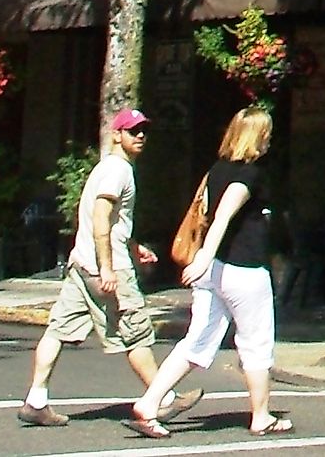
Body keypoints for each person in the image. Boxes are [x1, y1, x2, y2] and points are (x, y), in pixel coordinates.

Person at [18, 109, 199, 429]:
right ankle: (163, 400)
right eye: (132, 131)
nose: (140, 136)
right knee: (136, 332)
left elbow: (106, 222)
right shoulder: (118, 171)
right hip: (104, 266)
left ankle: (36, 400)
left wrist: (132, 246)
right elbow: (101, 218)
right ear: (117, 135)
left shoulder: (106, 168)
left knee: (58, 329)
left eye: (143, 130)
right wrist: (108, 267)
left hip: (82, 264)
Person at [131, 107, 290, 439]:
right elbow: (222, 216)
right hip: (243, 270)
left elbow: (205, 212)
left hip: (214, 274)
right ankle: (261, 416)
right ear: (258, 136)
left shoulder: (216, 170)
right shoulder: (250, 174)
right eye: (267, 133)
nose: (270, 139)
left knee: (197, 341)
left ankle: (149, 402)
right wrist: (203, 256)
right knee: (256, 344)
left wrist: (206, 261)